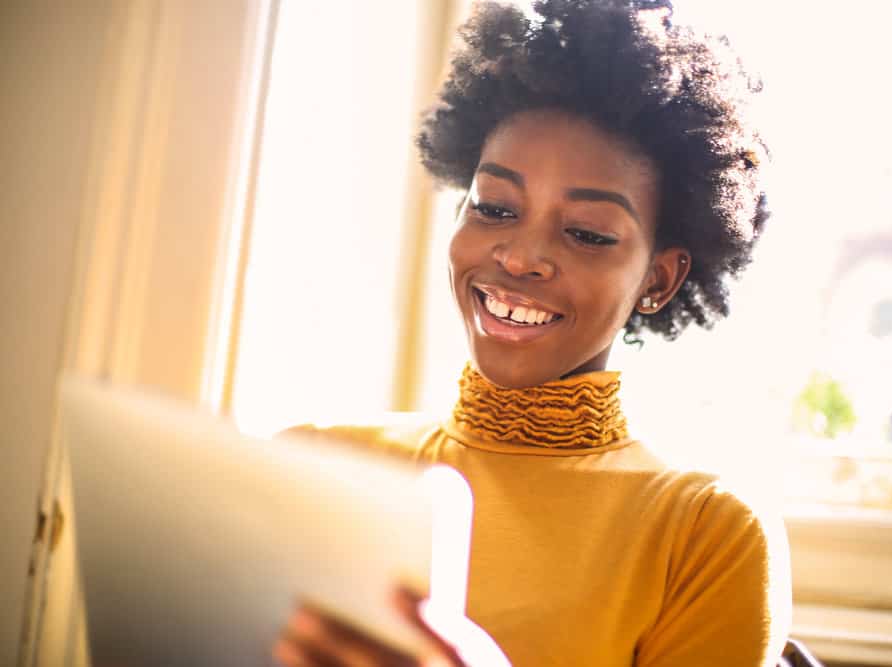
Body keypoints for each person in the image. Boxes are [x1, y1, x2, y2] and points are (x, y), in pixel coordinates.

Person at [273, 0, 792, 664]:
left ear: (658, 278)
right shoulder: (314, 464)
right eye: (494, 207)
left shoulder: (706, 533)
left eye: (585, 233)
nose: (519, 257)